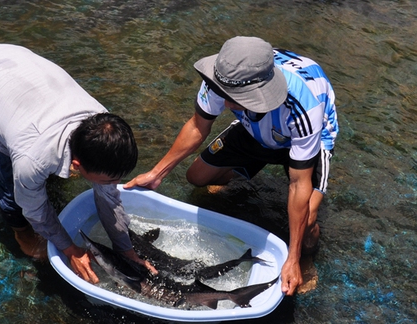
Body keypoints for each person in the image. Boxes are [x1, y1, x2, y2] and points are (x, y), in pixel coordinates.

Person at [125, 36, 338, 296]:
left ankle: (305, 260)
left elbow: (298, 182)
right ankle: (247, 170)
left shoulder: (303, 107)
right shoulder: (223, 77)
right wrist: (156, 174)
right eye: (225, 95)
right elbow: (196, 126)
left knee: (307, 219)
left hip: (309, 140)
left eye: (235, 99)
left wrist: (292, 258)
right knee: (197, 176)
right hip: (254, 128)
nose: (225, 104)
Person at [0, 43, 156, 283]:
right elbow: (34, 209)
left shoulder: (104, 128)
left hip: (13, 63)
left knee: (48, 177)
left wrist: (126, 250)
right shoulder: (31, 159)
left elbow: (108, 198)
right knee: (13, 186)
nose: (116, 184)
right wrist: (70, 250)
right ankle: (20, 232)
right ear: (77, 165)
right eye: (109, 180)